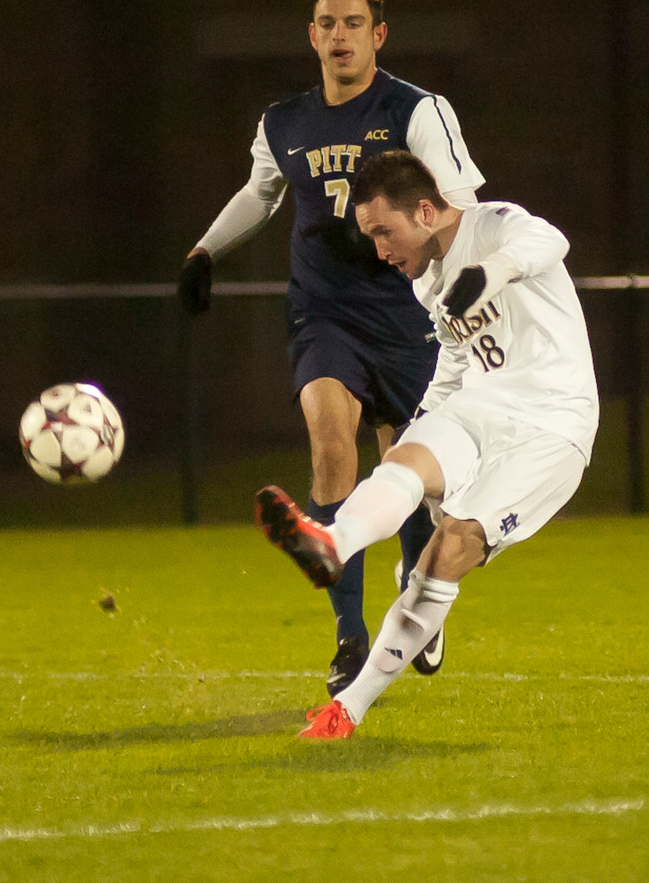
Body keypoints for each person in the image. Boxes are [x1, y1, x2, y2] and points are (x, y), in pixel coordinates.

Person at [179, 0, 485, 695]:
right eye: (327, 23)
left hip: (410, 311)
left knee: (410, 478)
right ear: (311, 35)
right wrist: (203, 251)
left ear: (377, 35)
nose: (340, 35)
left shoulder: (415, 110)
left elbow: (461, 198)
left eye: (354, 23)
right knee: (327, 448)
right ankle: (348, 638)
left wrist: (459, 270)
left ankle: (418, 603)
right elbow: (260, 193)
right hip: (324, 312)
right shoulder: (283, 121)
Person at [255, 150, 599, 739]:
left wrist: (490, 273)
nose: (381, 250)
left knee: (449, 548)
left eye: (384, 232)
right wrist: (426, 420)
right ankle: (331, 543)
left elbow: (550, 241)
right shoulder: (429, 285)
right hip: (481, 403)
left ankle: (350, 708)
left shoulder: (493, 224)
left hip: (553, 422)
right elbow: (456, 359)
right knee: (404, 459)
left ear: (423, 210)